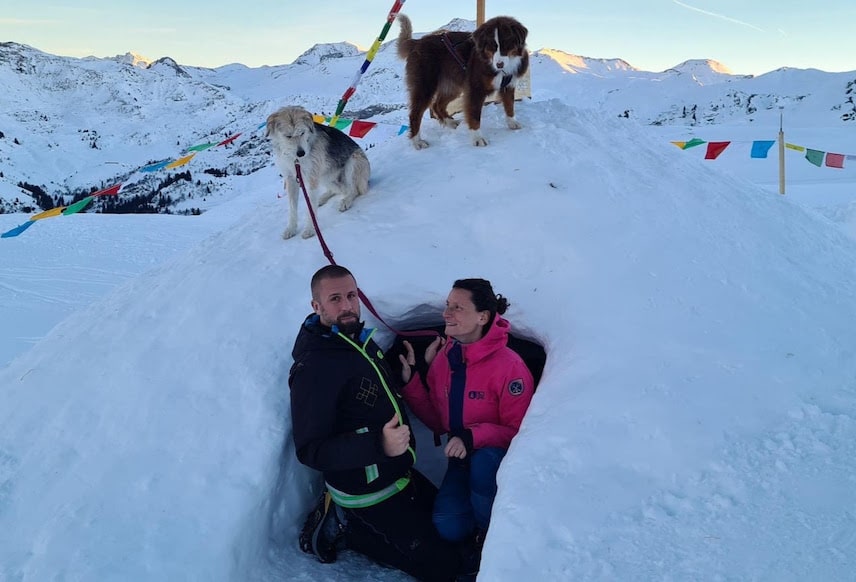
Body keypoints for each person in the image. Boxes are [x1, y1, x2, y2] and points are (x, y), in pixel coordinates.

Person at [289, 264, 469, 582]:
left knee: (460, 531)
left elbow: (365, 396)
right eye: (335, 299)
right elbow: (310, 449)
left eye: (351, 295)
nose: (346, 305)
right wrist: (379, 445)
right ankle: (346, 528)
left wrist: (406, 378)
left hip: (398, 474)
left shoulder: (356, 339)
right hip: (367, 494)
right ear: (316, 307)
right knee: (445, 568)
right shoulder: (314, 368)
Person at [400, 278, 535, 568]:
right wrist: (411, 379)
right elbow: (439, 421)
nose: (447, 313)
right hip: (462, 462)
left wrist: (471, 438)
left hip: (496, 462)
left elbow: (519, 434)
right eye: (448, 305)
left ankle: (495, 540)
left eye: (458, 307)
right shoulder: (448, 355)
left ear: (483, 317)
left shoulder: (510, 367)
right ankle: (474, 527)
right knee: (448, 525)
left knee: (485, 462)